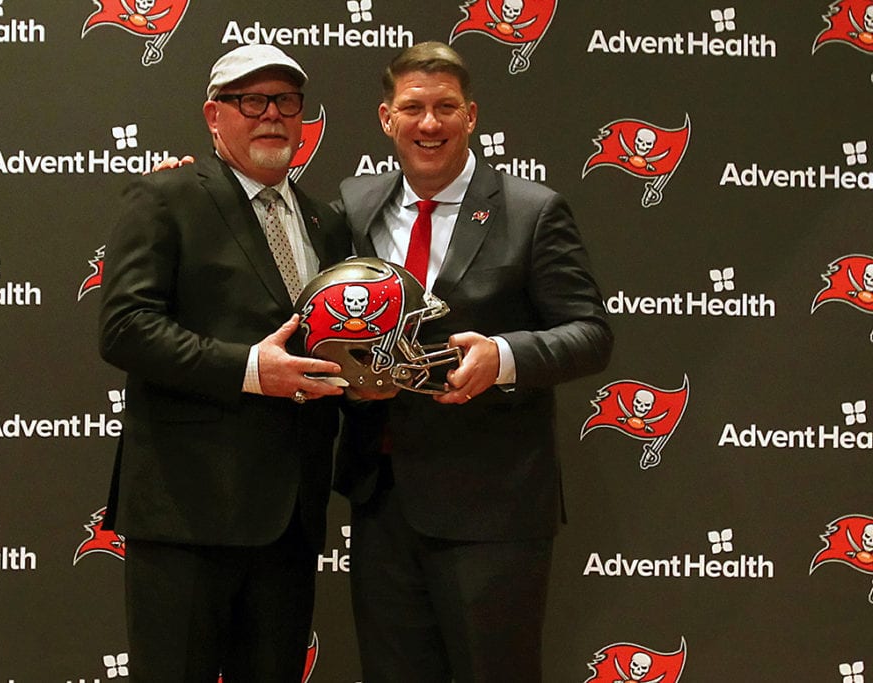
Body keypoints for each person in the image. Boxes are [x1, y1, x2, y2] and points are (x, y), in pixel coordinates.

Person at [334, 41, 614, 682]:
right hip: (383, 499)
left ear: (471, 115)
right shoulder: (353, 207)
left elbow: (590, 333)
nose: (428, 124)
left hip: (495, 507)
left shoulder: (531, 210)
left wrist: (504, 355)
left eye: (445, 108)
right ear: (386, 119)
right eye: (412, 108)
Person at [97, 44, 351, 682]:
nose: (272, 115)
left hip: (291, 519)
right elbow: (125, 329)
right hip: (189, 514)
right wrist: (249, 370)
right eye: (251, 101)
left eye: (287, 102)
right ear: (215, 116)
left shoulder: (325, 221)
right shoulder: (167, 196)